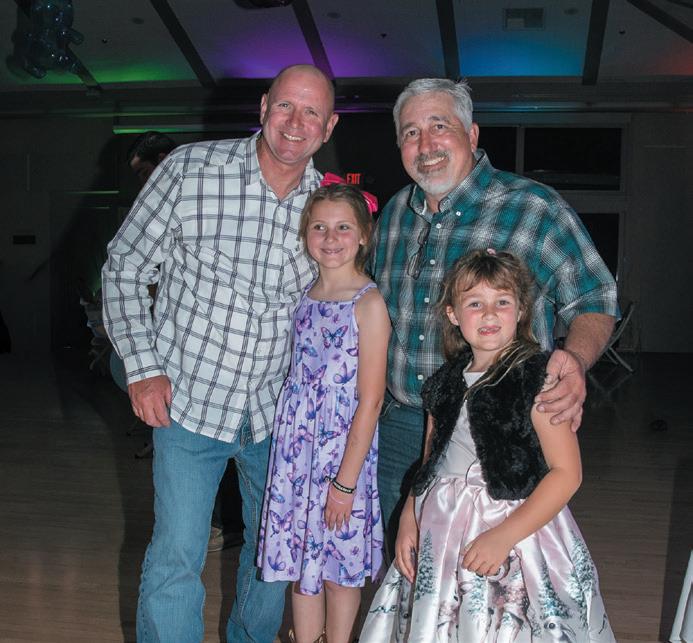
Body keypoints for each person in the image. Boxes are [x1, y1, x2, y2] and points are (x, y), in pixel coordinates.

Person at [102, 64, 339, 643]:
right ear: (263, 108)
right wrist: (143, 368)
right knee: (177, 556)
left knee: (271, 553)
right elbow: (125, 267)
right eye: (285, 106)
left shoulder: (328, 207)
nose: (295, 122)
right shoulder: (191, 169)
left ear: (329, 126)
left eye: (311, 112)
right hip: (189, 404)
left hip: (276, 416)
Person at [372, 78, 619, 547]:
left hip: (499, 428)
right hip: (402, 426)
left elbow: (595, 297)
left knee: (498, 567)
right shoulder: (393, 216)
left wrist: (575, 360)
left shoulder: (534, 207)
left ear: (472, 134)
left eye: (439, 126)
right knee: (409, 562)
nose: (425, 144)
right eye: (410, 132)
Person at [360, 249, 616, 641]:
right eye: (475, 303)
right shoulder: (443, 383)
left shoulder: (538, 378)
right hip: (443, 527)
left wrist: (504, 536)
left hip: (515, 529)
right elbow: (430, 462)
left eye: (502, 302)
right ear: (452, 314)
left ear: (521, 310)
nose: (490, 314)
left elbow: (567, 474)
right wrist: (409, 518)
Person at [257, 183, 390, 643]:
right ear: (306, 234)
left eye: (343, 228)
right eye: (319, 227)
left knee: (338, 570)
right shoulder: (305, 295)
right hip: (298, 455)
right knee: (302, 567)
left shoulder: (368, 303)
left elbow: (371, 400)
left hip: (341, 457)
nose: (330, 238)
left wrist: (345, 483)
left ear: (364, 235)